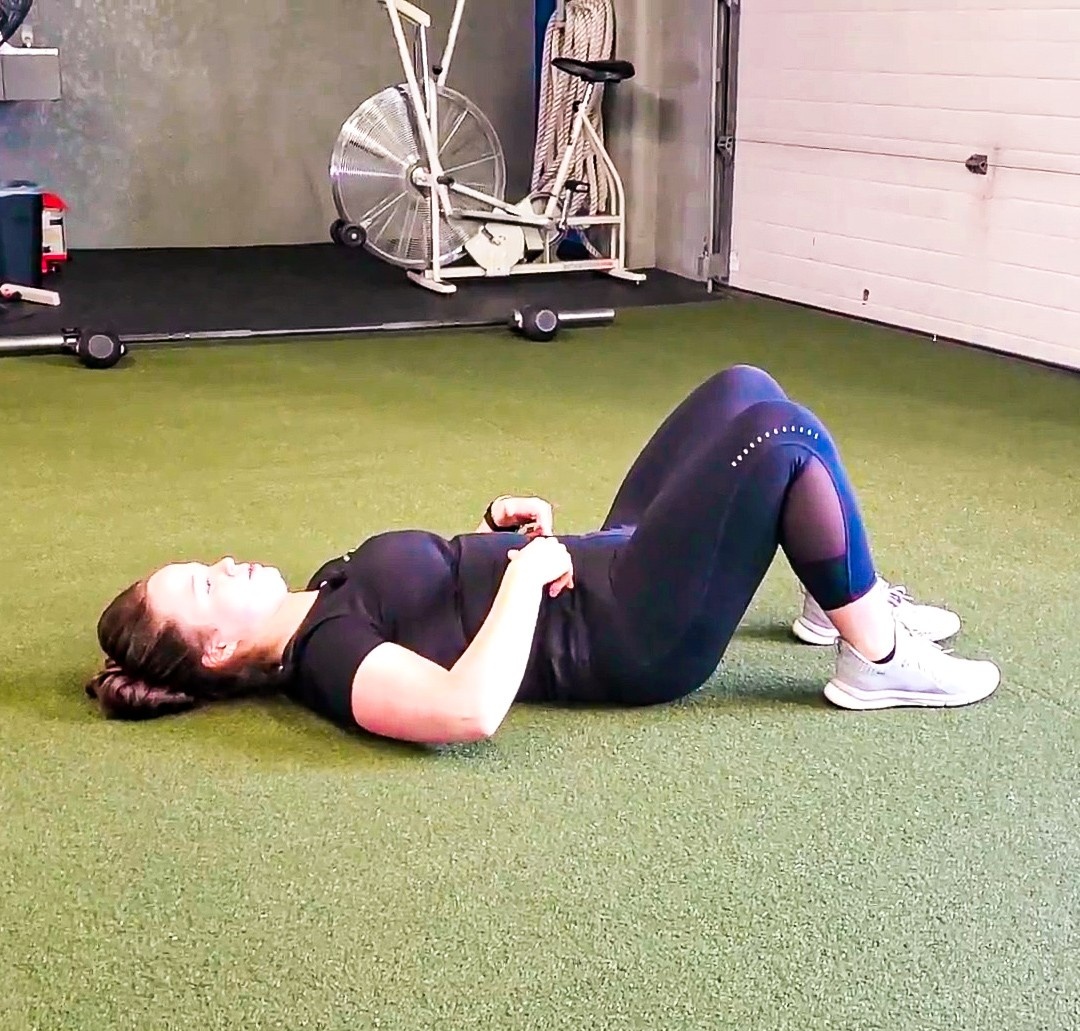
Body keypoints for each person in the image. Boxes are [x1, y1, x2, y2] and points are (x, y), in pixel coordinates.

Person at [86, 365, 1000, 744]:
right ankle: (877, 656)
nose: (224, 562)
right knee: (778, 436)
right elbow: (465, 708)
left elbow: (454, 604)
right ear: (215, 649)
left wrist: (514, 536)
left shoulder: (328, 587)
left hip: (598, 561)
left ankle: (834, 595)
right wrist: (524, 574)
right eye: (203, 584)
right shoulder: (326, 656)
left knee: (742, 387)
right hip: (627, 635)